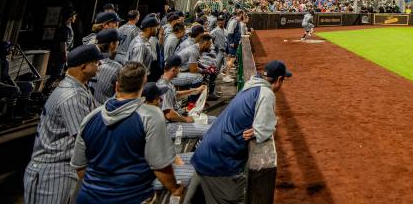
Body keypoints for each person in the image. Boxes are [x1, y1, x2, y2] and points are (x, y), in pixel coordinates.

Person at [70, 62, 183, 204]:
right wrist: (175, 189)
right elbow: (160, 167)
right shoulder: (150, 115)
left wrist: (102, 189)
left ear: (117, 86)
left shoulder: (90, 117)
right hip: (131, 197)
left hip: (89, 197)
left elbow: (80, 167)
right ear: (142, 86)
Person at [190, 60, 291, 204]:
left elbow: (259, 127)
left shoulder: (251, 85)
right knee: (239, 198)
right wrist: (269, 124)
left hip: (206, 151)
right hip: (219, 163)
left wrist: (265, 124)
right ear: (280, 80)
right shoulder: (266, 93)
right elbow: (262, 131)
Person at [23, 45, 101, 204]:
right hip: (53, 172)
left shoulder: (77, 88)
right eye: (96, 63)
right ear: (83, 67)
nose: (99, 66)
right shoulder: (72, 96)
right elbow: (84, 138)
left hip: (54, 168)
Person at [157, 56, 206, 123]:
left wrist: (195, 91)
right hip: (171, 126)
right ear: (173, 70)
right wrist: (185, 119)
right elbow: (169, 115)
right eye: (178, 67)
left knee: (211, 120)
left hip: (177, 115)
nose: (180, 70)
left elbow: (175, 95)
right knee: (208, 127)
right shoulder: (165, 87)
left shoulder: (164, 81)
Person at [45, 8, 77, 91]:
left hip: (64, 53)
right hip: (61, 54)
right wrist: (64, 55)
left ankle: (50, 89)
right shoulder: (65, 29)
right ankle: (47, 89)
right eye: (74, 16)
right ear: (70, 17)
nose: (75, 18)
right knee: (57, 74)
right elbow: (63, 43)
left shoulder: (68, 27)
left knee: (60, 73)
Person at [90, 28, 123, 104]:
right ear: (112, 44)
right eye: (118, 42)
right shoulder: (117, 68)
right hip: (102, 111)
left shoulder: (86, 62)